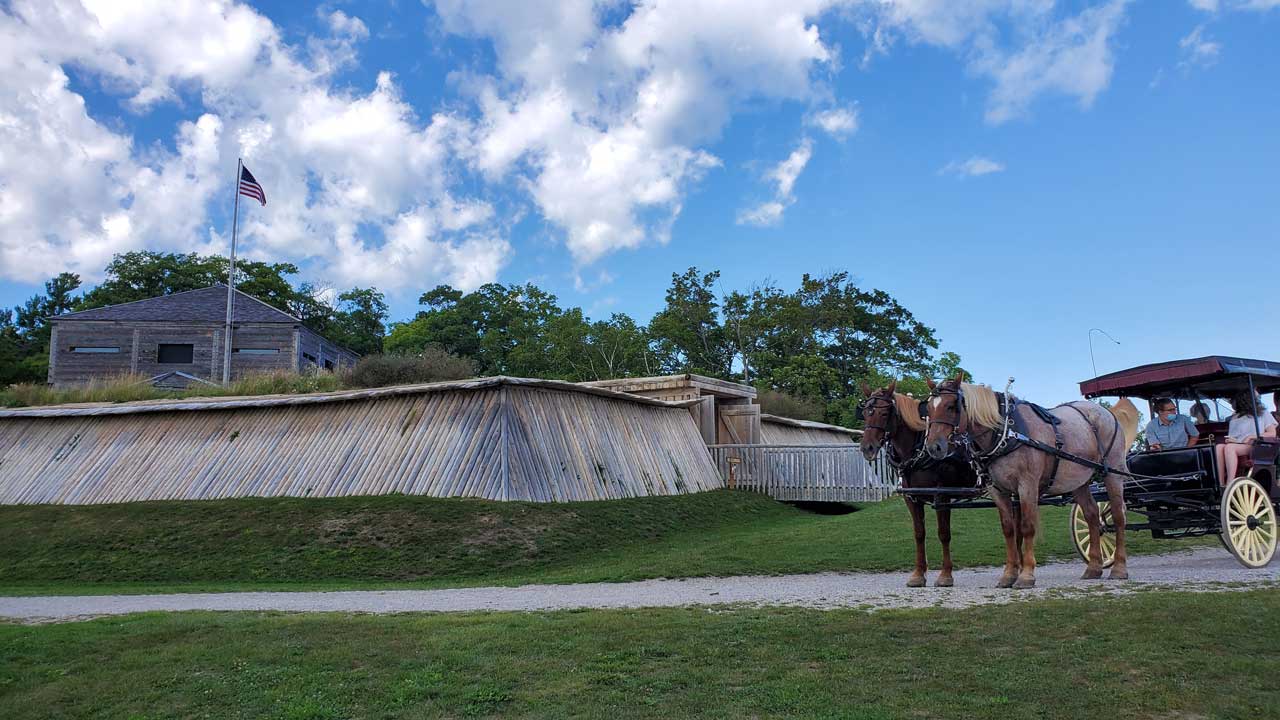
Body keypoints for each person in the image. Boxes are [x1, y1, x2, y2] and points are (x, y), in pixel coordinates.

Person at [1215, 392, 1279, 486]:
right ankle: (1220, 483)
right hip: (1240, 444)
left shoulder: (1263, 413)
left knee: (1230, 448)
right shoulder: (1235, 417)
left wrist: (1253, 436)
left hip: (1257, 445)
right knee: (1219, 447)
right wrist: (1232, 440)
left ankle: (1230, 482)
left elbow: (1272, 433)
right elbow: (1233, 437)